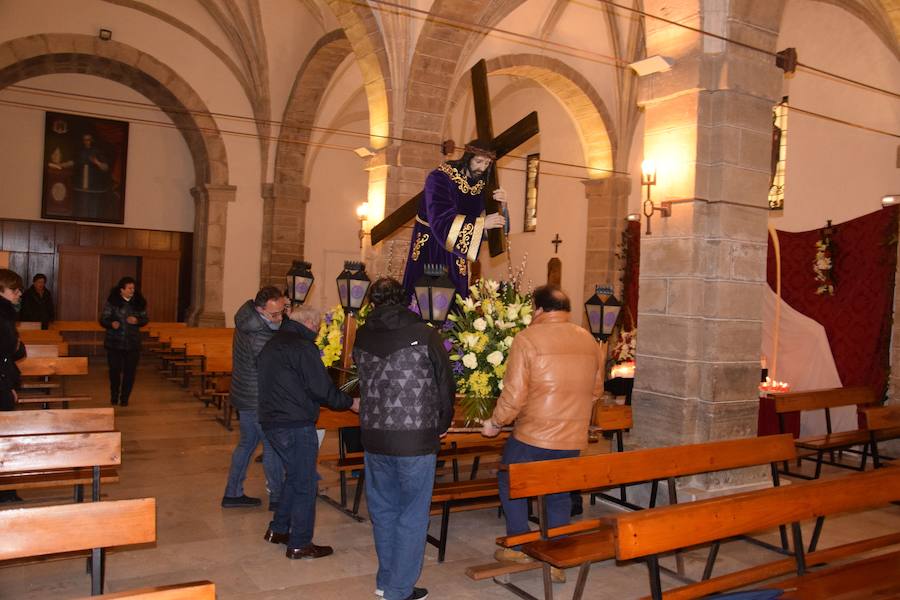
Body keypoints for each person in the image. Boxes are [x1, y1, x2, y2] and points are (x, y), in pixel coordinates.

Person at [481, 285, 605, 582]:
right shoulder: (588, 340)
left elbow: (514, 395)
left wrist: (495, 423)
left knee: (510, 480)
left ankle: (520, 545)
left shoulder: (527, 339)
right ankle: (556, 560)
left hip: (533, 435)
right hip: (571, 437)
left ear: (537, 308)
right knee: (559, 494)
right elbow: (597, 390)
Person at [353, 277, 455, 600]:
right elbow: (445, 385)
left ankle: (386, 580)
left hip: (374, 437)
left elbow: (361, 376)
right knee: (412, 514)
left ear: (372, 301)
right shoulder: (424, 334)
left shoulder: (362, 335)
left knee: (383, 511)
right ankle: (399, 589)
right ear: (405, 299)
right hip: (414, 440)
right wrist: (442, 423)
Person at [258, 305, 359, 559]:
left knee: (294, 476)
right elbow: (321, 389)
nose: (318, 332)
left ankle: (279, 530)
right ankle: (300, 543)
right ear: (312, 324)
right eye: (318, 328)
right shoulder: (303, 346)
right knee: (305, 483)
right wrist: (351, 403)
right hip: (295, 424)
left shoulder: (275, 342)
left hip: (272, 421)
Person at [401, 140, 507, 299]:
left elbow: (492, 225)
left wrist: (502, 205)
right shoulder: (440, 177)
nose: (482, 168)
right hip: (432, 243)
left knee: (455, 296)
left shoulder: (483, 183)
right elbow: (441, 218)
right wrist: (482, 223)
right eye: (478, 161)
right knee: (427, 295)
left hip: (457, 247)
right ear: (468, 157)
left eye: (487, 163)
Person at [221, 286, 285, 509]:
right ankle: (277, 497)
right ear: (260, 309)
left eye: (282, 312)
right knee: (272, 446)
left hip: (246, 393)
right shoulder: (258, 332)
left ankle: (232, 493)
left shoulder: (249, 320)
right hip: (258, 397)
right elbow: (272, 365)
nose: (279, 318)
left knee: (247, 444)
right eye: (274, 314)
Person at [99, 276, 148, 407]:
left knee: (130, 372)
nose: (132, 290)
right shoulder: (112, 302)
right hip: (114, 343)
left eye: (133, 288)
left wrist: (137, 321)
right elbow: (103, 319)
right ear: (122, 290)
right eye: (129, 288)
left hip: (132, 344)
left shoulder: (138, 302)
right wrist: (111, 323)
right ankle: (114, 396)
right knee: (114, 371)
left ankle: (125, 398)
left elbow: (145, 319)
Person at [0, 269, 26, 503]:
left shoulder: (7, 313)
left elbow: (14, 350)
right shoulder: (2, 315)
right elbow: (9, 350)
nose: (19, 293)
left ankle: (6, 489)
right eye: (14, 289)